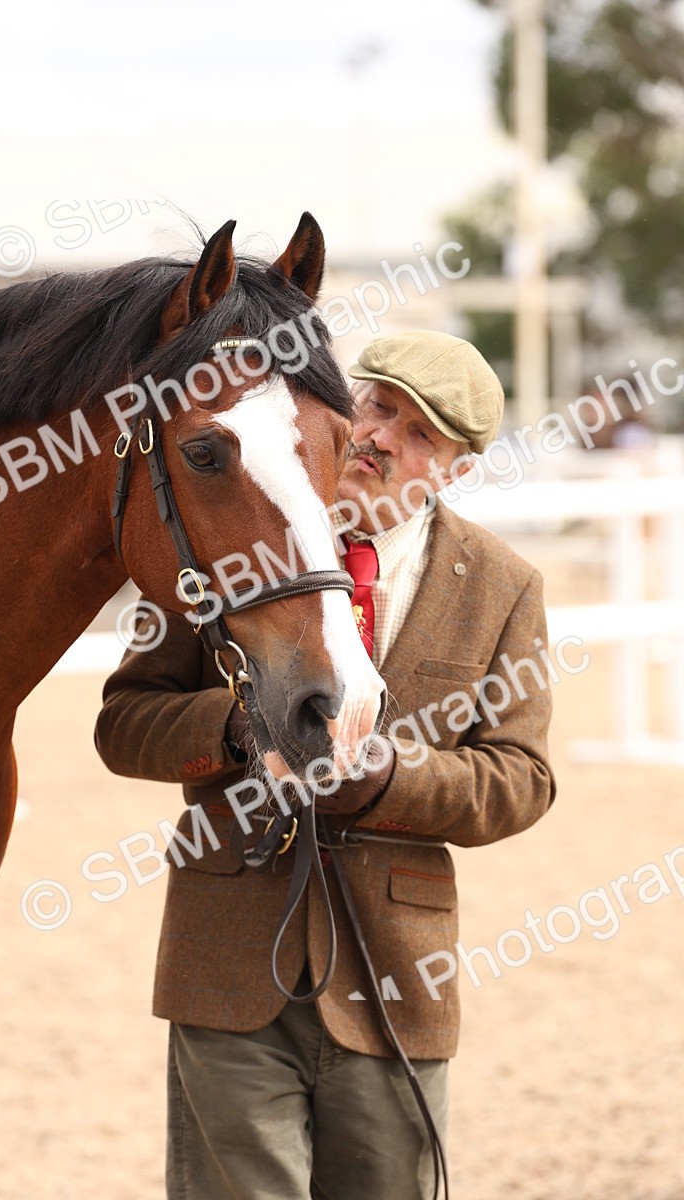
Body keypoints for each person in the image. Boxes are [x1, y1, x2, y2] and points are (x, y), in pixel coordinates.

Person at [95, 329, 556, 1200]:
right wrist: (236, 727)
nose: (383, 437)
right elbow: (124, 724)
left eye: (421, 432)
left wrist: (390, 778)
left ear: (456, 469)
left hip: (397, 985)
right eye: (377, 406)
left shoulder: (504, 586)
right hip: (225, 967)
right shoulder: (232, 533)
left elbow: (522, 779)